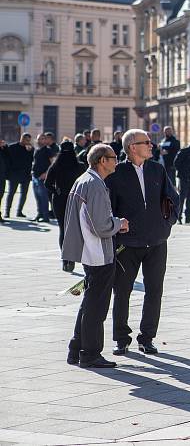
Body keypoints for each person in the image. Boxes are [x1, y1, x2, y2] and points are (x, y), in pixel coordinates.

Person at [106, 129, 179, 357]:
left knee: (154, 291)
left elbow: (173, 198)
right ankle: (121, 338)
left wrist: (167, 224)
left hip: (157, 241)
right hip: (128, 244)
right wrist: (117, 230)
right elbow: (109, 207)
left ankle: (147, 338)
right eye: (146, 142)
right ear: (132, 147)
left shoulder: (157, 169)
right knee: (122, 292)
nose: (151, 145)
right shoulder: (117, 173)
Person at [63, 144, 129, 369]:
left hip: (88, 252)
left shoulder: (84, 180)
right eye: (113, 157)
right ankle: (90, 354)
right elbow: (100, 226)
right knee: (96, 307)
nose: (117, 161)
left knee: (89, 303)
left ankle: (76, 349)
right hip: (98, 253)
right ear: (102, 161)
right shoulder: (95, 185)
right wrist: (119, 223)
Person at [45, 140, 86, 271]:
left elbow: (47, 184)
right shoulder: (79, 166)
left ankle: (65, 260)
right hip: (75, 200)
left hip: (60, 200)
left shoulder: (56, 165)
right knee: (74, 230)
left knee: (63, 229)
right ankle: (72, 258)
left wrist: (56, 191)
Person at [5, 132, 34, 219]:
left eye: (29, 140)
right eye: (25, 139)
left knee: (24, 194)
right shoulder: (12, 147)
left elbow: (32, 160)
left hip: (26, 175)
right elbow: (6, 158)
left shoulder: (30, 149)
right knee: (11, 193)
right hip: (14, 174)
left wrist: (30, 151)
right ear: (21, 138)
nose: (27, 141)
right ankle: (7, 211)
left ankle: (19, 211)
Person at [31, 133, 55, 222]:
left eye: (43, 139)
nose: (41, 140)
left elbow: (53, 164)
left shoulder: (48, 150)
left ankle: (45, 217)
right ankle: (39, 214)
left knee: (43, 197)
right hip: (35, 177)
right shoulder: (36, 149)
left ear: (45, 140)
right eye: (39, 139)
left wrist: (46, 173)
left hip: (43, 178)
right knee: (37, 198)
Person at [0, 139, 9, 222]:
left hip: (2, 177)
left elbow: (8, 157)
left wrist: (4, 147)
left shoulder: (3, 150)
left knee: (1, 194)